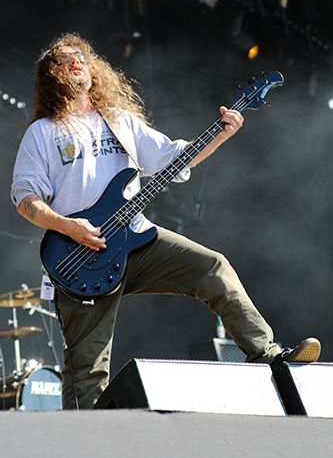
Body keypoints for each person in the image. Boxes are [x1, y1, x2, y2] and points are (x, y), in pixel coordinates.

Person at [11, 33, 321, 410]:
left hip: (136, 240)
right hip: (79, 257)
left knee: (213, 268)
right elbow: (26, 200)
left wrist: (220, 134)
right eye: (64, 60)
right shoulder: (42, 133)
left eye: (81, 56)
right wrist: (67, 226)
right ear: (51, 75)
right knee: (87, 369)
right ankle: (87, 442)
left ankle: (268, 355)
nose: (77, 62)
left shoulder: (119, 121)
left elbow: (175, 158)